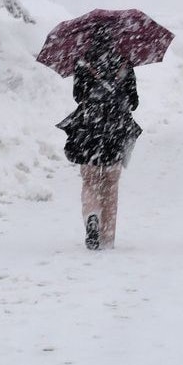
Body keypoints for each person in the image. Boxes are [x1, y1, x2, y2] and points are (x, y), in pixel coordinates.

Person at [56, 28, 141, 250]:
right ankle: (107, 237)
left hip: (89, 133)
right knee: (111, 185)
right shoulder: (124, 63)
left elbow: (78, 96)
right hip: (116, 132)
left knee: (90, 181)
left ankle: (92, 216)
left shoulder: (83, 62)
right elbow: (134, 102)